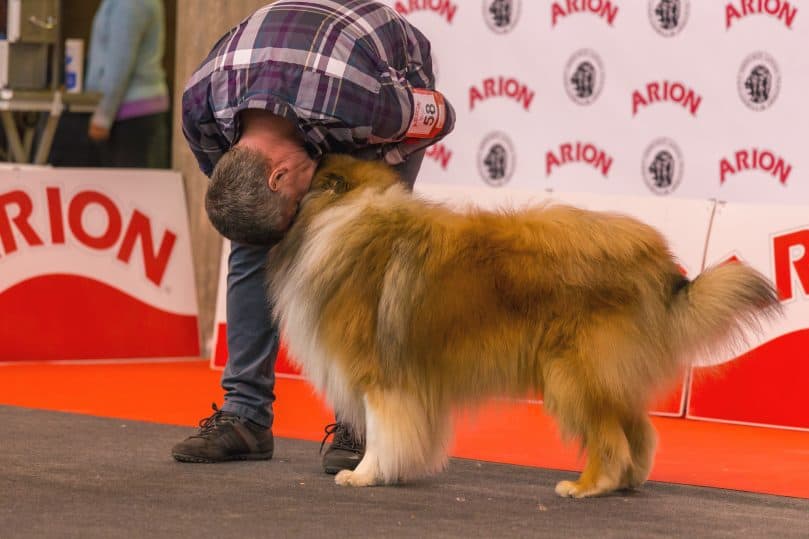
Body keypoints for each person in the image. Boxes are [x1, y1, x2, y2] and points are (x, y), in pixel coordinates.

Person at [171, 0, 455, 474]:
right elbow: (238, 193)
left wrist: (374, 168)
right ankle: (244, 416)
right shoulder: (201, 111)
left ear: (281, 174)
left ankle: (360, 422)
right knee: (252, 244)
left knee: (363, 252)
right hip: (295, 101)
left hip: (379, 71)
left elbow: (442, 117)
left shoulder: (369, 105)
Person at [50, 0, 169, 168]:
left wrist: (103, 116)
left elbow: (119, 62)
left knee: (132, 190)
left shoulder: (129, 4)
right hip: (129, 112)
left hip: (131, 115)